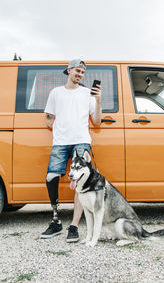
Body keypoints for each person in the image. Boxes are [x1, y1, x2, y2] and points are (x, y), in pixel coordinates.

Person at [40, 59, 102, 241]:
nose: (80, 75)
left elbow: (97, 120)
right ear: (68, 71)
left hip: (81, 141)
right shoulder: (56, 93)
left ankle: (73, 226)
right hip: (60, 142)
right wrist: (60, 129)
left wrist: (98, 100)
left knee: (81, 181)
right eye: (77, 71)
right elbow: (49, 119)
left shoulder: (87, 93)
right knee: (51, 178)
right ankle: (55, 221)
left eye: (82, 72)